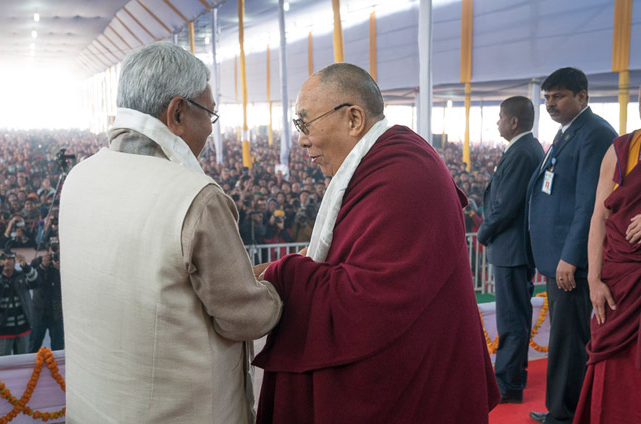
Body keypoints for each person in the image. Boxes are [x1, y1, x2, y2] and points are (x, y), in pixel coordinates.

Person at [251, 63, 499, 423]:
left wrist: (284, 274)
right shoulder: (384, 161)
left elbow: (370, 298)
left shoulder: (404, 175)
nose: (302, 140)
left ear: (353, 119)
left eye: (305, 124)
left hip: (416, 378)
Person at [59, 42, 282, 424]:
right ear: (177, 112)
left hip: (93, 407)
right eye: (210, 113)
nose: (211, 128)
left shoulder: (79, 177)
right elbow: (246, 317)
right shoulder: (196, 197)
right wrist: (275, 286)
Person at [526, 67, 617, 424]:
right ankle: (562, 410)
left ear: (583, 97)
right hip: (557, 259)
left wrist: (570, 257)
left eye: (559, 96)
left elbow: (589, 206)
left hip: (573, 263)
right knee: (564, 339)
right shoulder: (568, 133)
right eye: (546, 97)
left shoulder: (594, 135)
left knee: (569, 342)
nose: (550, 104)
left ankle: (565, 415)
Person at [573, 86, 641, 423]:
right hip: (619, 284)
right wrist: (594, 280)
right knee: (612, 371)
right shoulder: (622, 150)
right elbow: (599, 216)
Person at [477, 96, 545, 403]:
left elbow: (505, 206)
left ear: (513, 121)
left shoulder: (521, 152)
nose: (498, 122)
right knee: (515, 315)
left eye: (501, 117)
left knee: (511, 319)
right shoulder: (525, 148)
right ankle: (513, 376)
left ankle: (508, 384)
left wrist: (483, 233)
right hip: (514, 248)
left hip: (511, 248)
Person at [0, 250, 40, 356]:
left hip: (23, 328)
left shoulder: (22, 275)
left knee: (23, 363)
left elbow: (36, 282)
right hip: (2, 330)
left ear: (15, 262)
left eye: (10, 259)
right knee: (2, 364)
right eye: (4, 259)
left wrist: (26, 267)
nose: (7, 262)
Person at [28, 238, 63, 352]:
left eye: (57, 249)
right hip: (40, 310)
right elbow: (33, 282)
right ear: (47, 250)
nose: (55, 252)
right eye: (53, 249)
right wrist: (43, 267)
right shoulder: (37, 262)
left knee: (58, 346)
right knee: (34, 344)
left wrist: (59, 270)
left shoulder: (65, 263)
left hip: (56, 311)